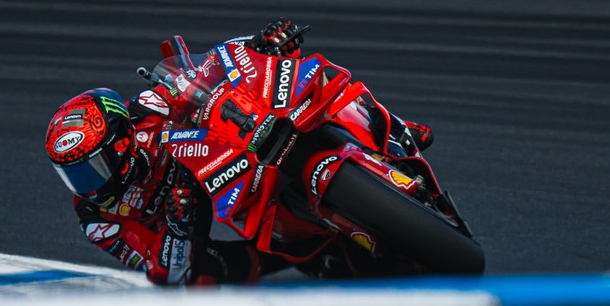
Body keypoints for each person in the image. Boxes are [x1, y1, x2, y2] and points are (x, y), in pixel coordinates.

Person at [44, 19, 432, 285]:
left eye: (91, 167)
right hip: (188, 218)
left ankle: (392, 126)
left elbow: (206, 72)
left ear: (120, 142)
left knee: (309, 80)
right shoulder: (95, 217)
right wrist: (179, 230)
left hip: (212, 155)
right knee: (195, 280)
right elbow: (163, 271)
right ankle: (294, 252)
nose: (86, 184)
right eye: (74, 174)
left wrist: (259, 46)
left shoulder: (144, 110)